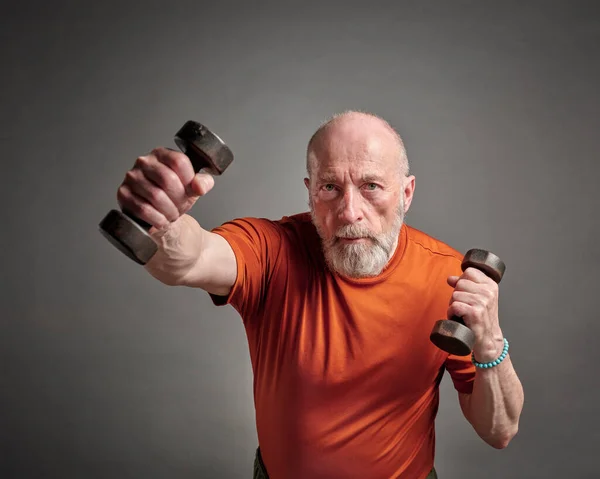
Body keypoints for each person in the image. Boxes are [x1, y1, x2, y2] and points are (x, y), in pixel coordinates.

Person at [116, 110, 524, 479]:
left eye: (371, 186)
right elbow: (190, 258)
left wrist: (490, 342)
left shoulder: (449, 279)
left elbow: (499, 430)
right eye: (330, 187)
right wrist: (162, 220)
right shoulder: (274, 249)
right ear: (310, 192)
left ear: (406, 193)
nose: (349, 211)